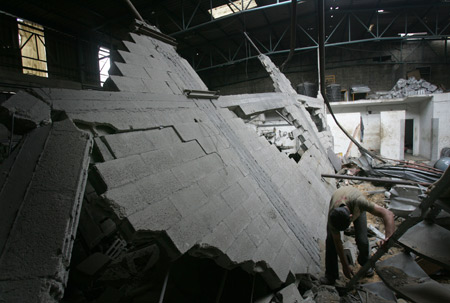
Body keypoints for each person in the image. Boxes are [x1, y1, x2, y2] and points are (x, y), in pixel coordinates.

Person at [320, 186, 395, 285]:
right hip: (339, 199)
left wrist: (388, 238)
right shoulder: (333, 216)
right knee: (331, 241)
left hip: (356, 205)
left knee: (362, 240)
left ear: (351, 217)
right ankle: (330, 276)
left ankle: (365, 264)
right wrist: (345, 265)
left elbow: (388, 214)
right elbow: (337, 242)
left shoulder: (360, 203)